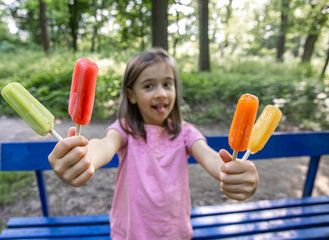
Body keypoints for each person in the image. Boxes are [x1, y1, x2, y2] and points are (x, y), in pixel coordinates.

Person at [48, 48, 259, 240]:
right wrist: (85, 158)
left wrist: (233, 172)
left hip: (173, 232)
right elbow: (103, 145)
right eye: (149, 86)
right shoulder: (125, 130)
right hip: (131, 232)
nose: (161, 93)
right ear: (131, 95)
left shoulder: (185, 132)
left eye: (167, 84)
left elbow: (210, 156)